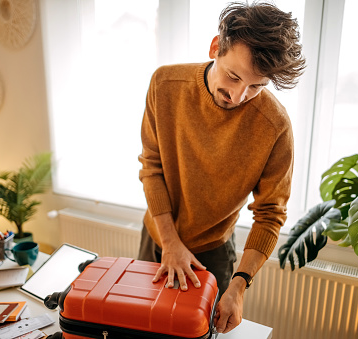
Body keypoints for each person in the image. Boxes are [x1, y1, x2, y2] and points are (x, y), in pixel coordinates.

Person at [138, 1, 306, 334]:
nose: (239, 95)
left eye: (257, 86)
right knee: (141, 328)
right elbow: (152, 166)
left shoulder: (275, 125)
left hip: (213, 255)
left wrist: (239, 287)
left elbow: (270, 213)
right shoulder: (165, 84)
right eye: (233, 76)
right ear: (216, 47)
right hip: (157, 235)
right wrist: (170, 243)